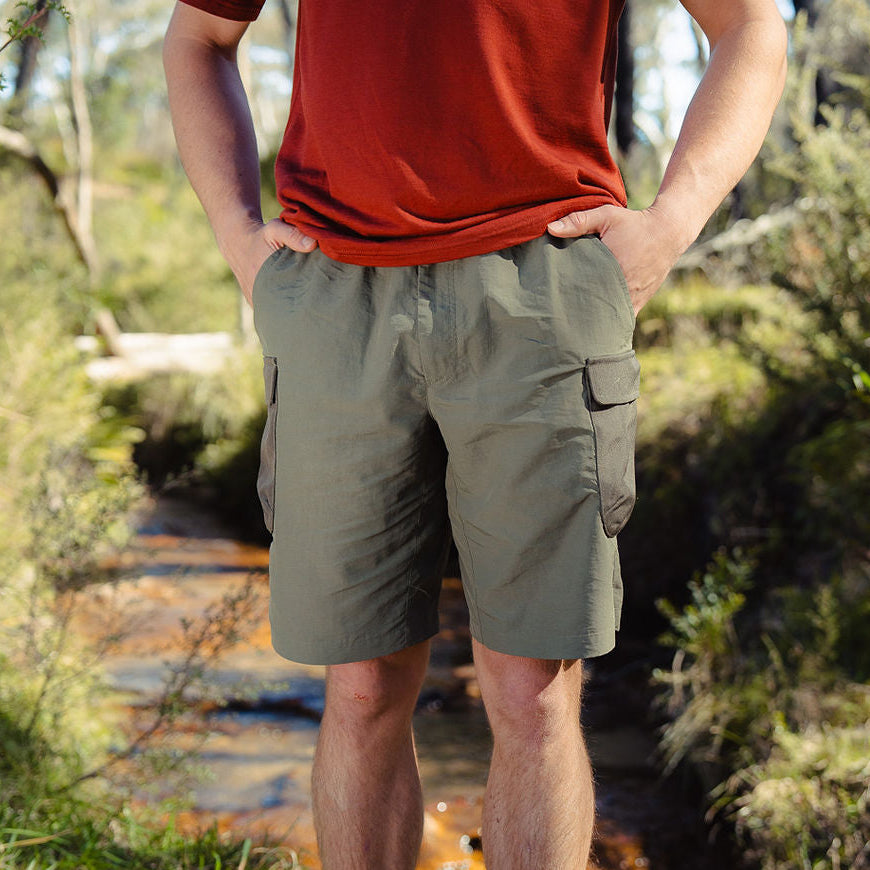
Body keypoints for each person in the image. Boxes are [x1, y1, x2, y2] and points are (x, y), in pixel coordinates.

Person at [163, 1, 787, 867]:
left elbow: (751, 25)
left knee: (533, 691)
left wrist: (669, 226)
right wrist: (239, 241)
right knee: (362, 682)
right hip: (336, 293)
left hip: (542, 290)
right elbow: (198, 38)